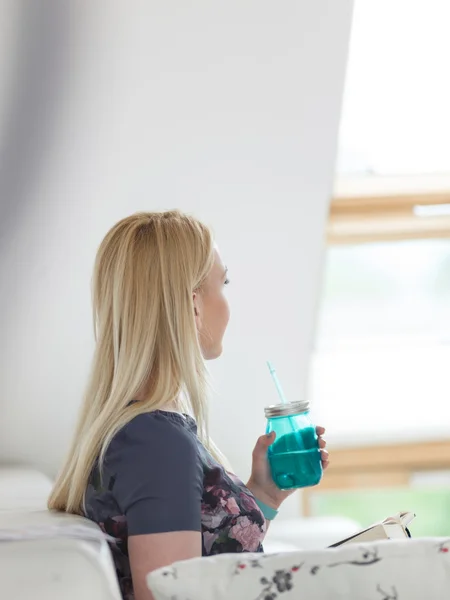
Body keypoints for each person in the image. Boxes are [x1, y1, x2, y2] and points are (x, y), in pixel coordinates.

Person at [48, 211, 328, 600]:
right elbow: (172, 594)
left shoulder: (145, 430)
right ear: (193, 304)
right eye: (223, 283)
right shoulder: (156, 441)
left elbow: (208, 557)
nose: (228, 303)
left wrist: (265, 493)